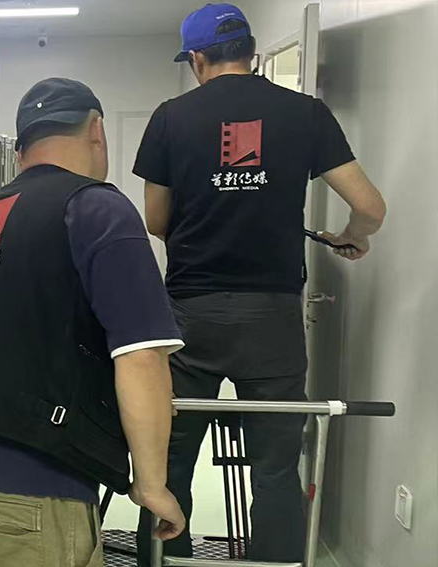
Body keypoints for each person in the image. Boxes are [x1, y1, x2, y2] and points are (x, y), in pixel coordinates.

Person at [134, 4, 387, 565]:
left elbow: (155, 220)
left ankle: (166, 560)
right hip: (272, 319)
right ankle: (273, 561)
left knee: (169, 460)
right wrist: (350, 237)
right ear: (251, 53)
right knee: (274, 466)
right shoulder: (305, 113)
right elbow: (370, 207)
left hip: (189, 316)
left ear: (197, 60)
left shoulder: (171, 118)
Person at [0, 77, 187, 567]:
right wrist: (152, 485)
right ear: (97, 129)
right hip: (32, 494)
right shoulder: (96, 207)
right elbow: (141, 356)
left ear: (20, 151)